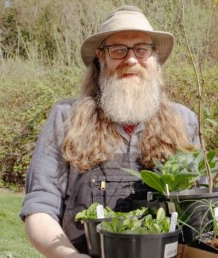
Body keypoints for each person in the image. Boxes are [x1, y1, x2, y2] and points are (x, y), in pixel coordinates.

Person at [20, 5, 199, 258]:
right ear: (100, 56)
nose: (131, 59)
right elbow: (40, 205)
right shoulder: (65, 118)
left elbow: (200, 205)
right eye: (118, 50)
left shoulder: (185, 121)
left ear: (154, 56)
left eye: (141, 49)